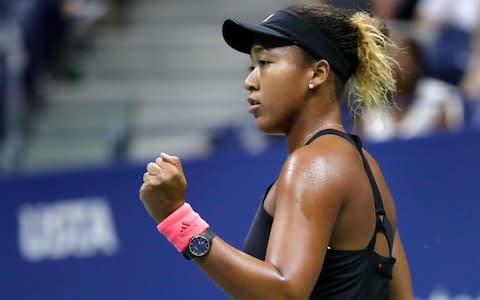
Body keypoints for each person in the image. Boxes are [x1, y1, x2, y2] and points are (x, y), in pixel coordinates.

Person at [139, 2, 414, 299]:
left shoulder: (312, 164)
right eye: (251, 66)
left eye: (265, 63)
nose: (249, 81)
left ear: (317, 73)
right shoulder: (367, 168)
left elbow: (285, 292)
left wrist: (178, 219)